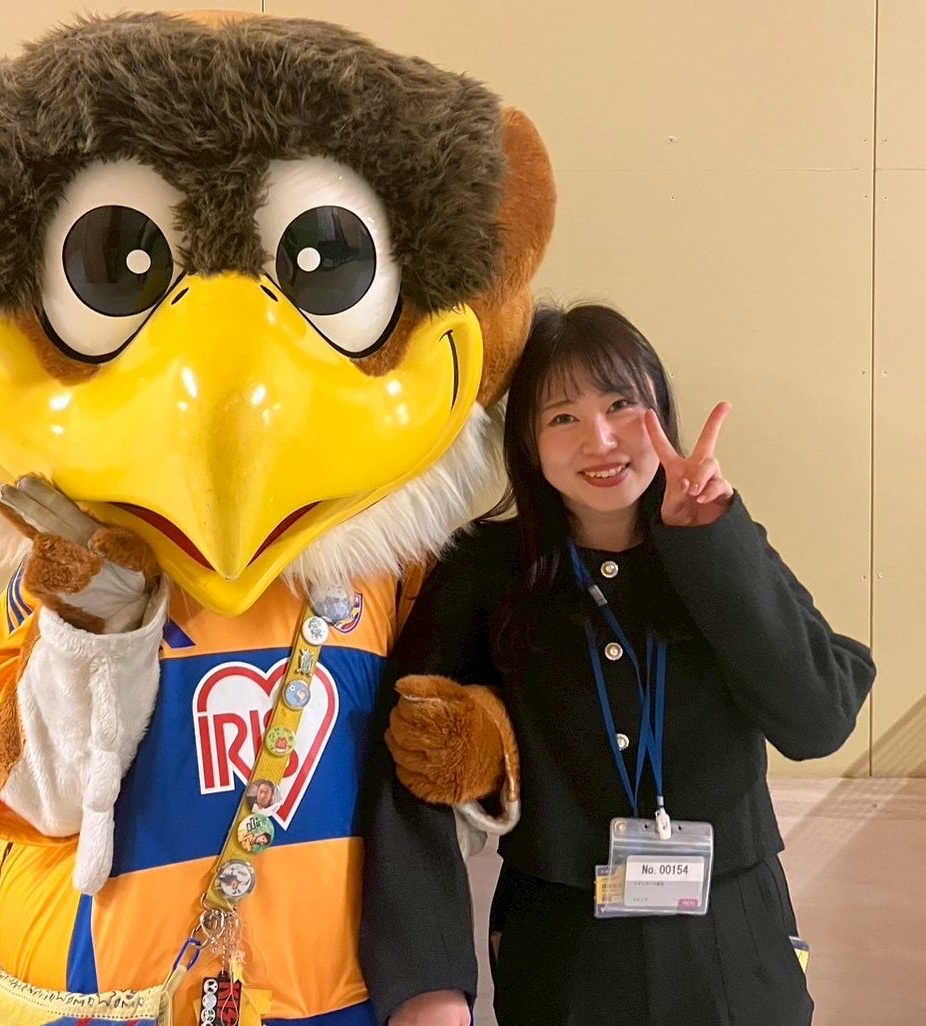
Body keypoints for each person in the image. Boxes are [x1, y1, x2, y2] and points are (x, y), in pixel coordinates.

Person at [360, 303, 876, 1026]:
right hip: (562, 947)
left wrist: (712, 543)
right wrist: (428, 980)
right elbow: (408, 758)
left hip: (733, 941)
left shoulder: (719, 543)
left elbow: (819, 720)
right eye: (562, 417)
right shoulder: (484, 567)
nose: (598, 440)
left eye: (620, 405)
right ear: (528, 442)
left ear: (659, 410)